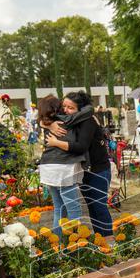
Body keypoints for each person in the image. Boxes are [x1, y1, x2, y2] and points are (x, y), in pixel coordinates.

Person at [46, 90, 114, 238]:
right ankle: (100, 240)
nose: (66, 110)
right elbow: (45, 117)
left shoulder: (87, 121)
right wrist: (48, 125)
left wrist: (56, 143)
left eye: (71, 107)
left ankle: (109, 240)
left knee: (99, 208)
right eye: (64, 106)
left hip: (98, 170)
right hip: (84, 171)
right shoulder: (70, 120)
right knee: (91, 208)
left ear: (80, 109)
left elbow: (81, 147)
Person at [37, 95, 84, 236]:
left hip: (48, 167)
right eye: (63, 106)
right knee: (74, 208)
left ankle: (57, 243)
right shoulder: (67, 122)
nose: (65, 108)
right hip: (62, 167)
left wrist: (46, 123)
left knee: (59, 208)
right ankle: (77, 243)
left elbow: (39, 120)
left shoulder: (48, 123)